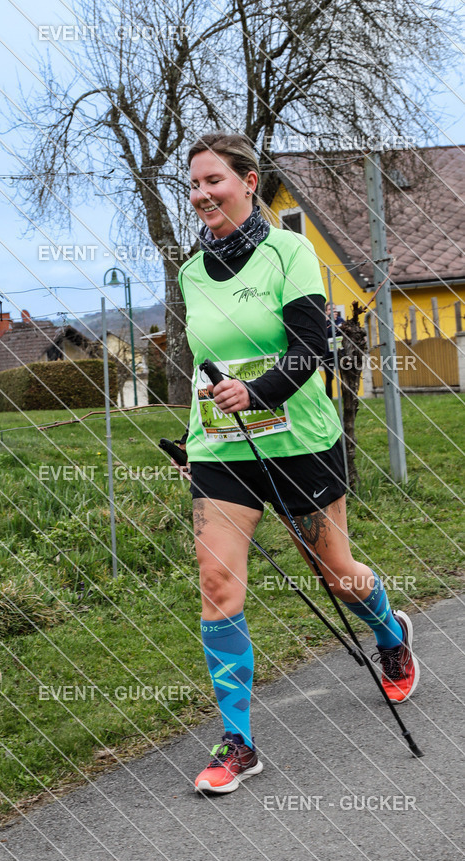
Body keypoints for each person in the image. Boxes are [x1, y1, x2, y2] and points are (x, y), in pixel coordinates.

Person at [171, 133, 419, 796]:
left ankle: (389, 630)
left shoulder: (290, 252)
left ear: (249, 181)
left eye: (213, 181)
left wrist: (257, 394)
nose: (201, 195)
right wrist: (195, 437)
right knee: (217, 583)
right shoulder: (192, 272)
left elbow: (312, 346)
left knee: (335, 572)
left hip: (297, 441)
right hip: (223, 447)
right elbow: (205, 365)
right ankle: (238, 741)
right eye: (193, 185)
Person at [322, 302, 345, 399]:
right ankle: (329, 399)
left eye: (334, 309)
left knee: (343, 376)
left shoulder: (340, 321)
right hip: (328, 355)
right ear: (326, 311)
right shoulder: (324, 322)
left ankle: (345, 398)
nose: (333, 311)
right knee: (329, 378)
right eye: (330, 310)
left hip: (340, 353)